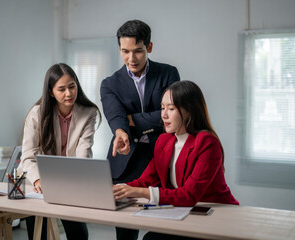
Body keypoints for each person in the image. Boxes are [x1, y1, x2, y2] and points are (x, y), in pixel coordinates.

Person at [113, 80, 239, 240]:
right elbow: (146, 181)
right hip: (186, 213)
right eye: (162, 108)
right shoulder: (164, 140)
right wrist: (115, 189)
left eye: (171, 109)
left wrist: (140, 192)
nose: (164, 115)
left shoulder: (207, 142)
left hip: (216, 215)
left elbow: (189, 195)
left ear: (189, 111)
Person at [100, 19, 180, 240]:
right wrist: (121, 131)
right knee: (125, 232)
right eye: (125, 51)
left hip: (163, 160)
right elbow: (115, 115)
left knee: (168, 227)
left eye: (138, 51)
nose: (131, 58)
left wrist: (132, 120)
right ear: (119, 49)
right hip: (126, 162)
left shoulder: (168, 74)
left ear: (149, 47)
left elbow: (171, 115)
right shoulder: (110, 83)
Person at [19, 63, 101, 240]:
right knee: (38, 234)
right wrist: (38, 179)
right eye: (61, 89)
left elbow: (83, 153)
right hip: (36, 182)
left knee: (79, 234)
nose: (69, 93)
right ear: (50, 92)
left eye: (72, 86)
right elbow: (27, 156)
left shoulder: (88, 113)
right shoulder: (37, 113)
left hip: (69, 181)